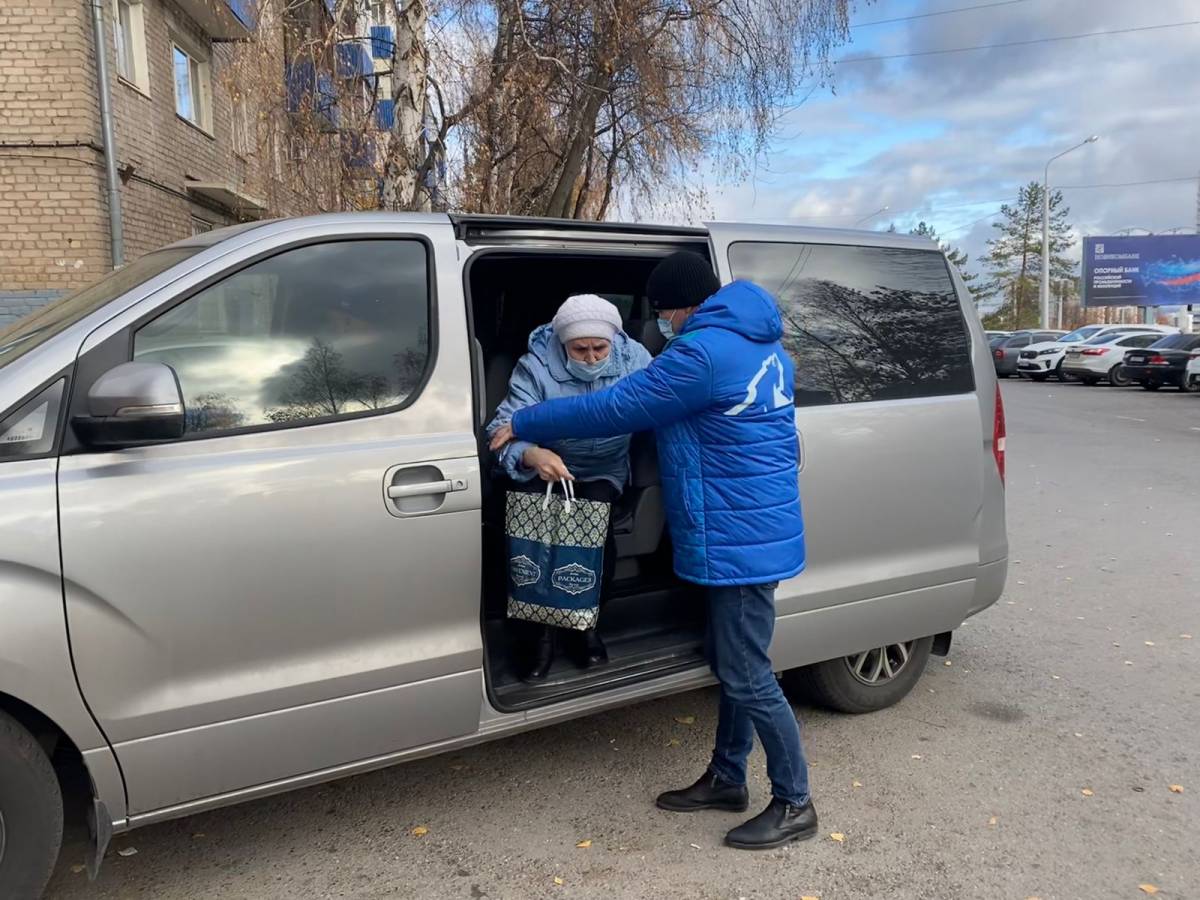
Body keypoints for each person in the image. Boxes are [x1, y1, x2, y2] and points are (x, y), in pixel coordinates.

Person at [490, 251, 814, 850]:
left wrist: (529, 419)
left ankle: (795, 802)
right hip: (750, 525)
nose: (661, 321)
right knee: (735, 665)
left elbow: (618, 406)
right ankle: (727, 777)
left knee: (747, 673)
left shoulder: (703, 351)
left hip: (739, 534)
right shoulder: (763, 344)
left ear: (682, 306)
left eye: (663, 311)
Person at [487, 293, 652, 681]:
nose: (592, 357)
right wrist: (530, 454)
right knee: (532, 538)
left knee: (593, 529)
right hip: (544, 469)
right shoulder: (535, 367)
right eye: (581, 349)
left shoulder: (637, 361)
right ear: (563, 345)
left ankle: (583, 627)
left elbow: (661, 405)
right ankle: (537, 635)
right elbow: (501, 431)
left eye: (600, 348)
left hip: (602, 470)